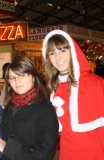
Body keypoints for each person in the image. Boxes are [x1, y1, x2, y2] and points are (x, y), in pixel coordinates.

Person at [42, 30, 104, 160]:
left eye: (63, 50)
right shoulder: (53, 88)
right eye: (52, 53)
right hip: (67, 154)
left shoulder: (96, 83)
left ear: (73, 52)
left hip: (96, 154)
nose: (57, 57)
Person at [0, 57, 59, 160]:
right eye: (12, 78)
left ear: (33, 77)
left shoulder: (45, 110)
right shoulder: (8, 107)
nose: (17, 81)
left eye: (22, 75)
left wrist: (8, 148)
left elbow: (44, 153)